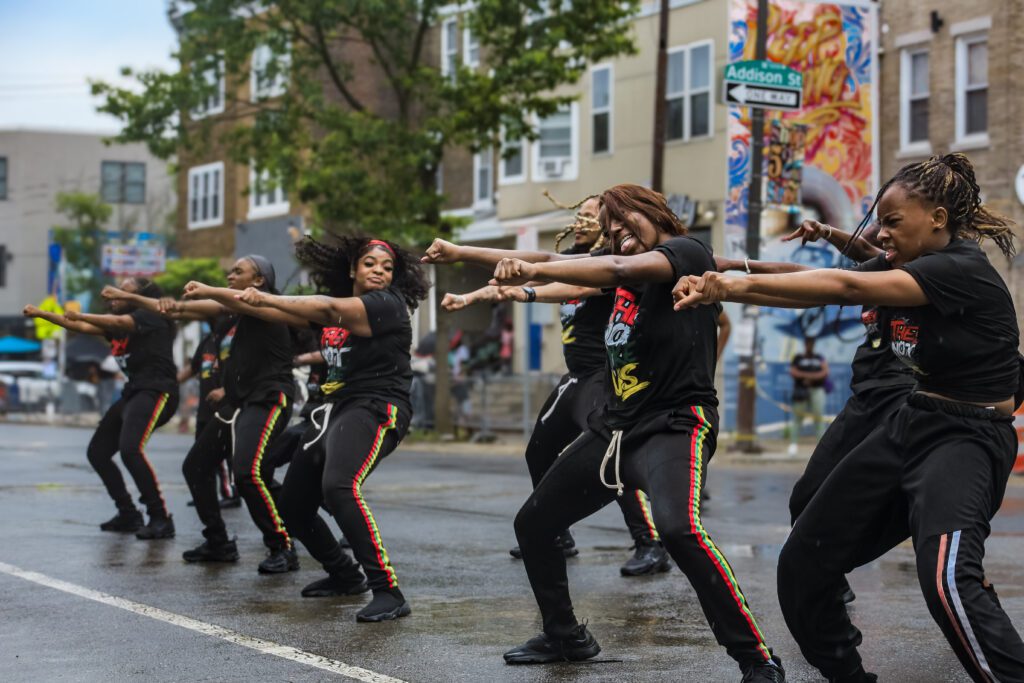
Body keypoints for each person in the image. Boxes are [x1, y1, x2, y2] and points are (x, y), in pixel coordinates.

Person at [674, 153, 1024, 682]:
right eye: (879, 222)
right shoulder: (902, 265)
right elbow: (816, 284)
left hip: (966, 438)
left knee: (947, 580)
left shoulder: (960, 268)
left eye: (892, 221)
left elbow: (846, 288)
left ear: (937, 218)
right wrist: (720, 281)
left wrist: (730, 287)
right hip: (914, 420)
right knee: (803, 563)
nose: (881, 234)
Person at [433, 184, 785, 681]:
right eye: (610, 230)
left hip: (675, 423)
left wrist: (534, 272)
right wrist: (464, 254)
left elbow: (613, 267)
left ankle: (757, 659)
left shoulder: (687, 251)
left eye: (624, 222)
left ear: (655, 213)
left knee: (680, 530)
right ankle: (564, 635)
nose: (618, 235)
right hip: (617, 428)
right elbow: (553, 261)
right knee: (534, 523)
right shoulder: (620, 274)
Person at [434, 194, 674, 576]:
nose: (581, 221)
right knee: (538, 451)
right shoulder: (574, 260)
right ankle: (557, 533)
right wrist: (471, 291)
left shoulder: (612, 264)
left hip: (602, 377)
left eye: (590, 216)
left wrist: (523, 289)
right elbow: (536, 269)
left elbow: (569, 286)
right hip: (574, 377)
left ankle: (650, 543)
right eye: (578, 215)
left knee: (610, 459)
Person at [233, 235, 430, 622]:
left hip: (377, 405)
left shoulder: (386, 304)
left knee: (339, 486)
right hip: (335, 409)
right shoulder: (341, 307)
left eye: (387, 267)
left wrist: (264, 297)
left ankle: (388, 591)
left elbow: (324, 307)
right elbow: (267, 310)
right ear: (353, 268)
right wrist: (216, 293)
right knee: (293, 506)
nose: (379, 271)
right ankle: (343, 573)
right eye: (370, 264)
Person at [105, 256, 297, 573]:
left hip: (268, 397)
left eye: (238, 271)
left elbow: (233, 300)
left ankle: (282, 546)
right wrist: (132, 298)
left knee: (248, 473)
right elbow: (177, 310)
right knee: (196, 466)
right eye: (230, 270)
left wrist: (206, 288)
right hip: (238, 401)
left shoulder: (267, 305)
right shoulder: (230, 314)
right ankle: (218, 542)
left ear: (259, 280)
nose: (230, 274)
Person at [24, 278, 179, 540]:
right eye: (114, 292)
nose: (114, 297)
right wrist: (42, 314)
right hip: (134, 392)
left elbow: (117, 322)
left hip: (156, 391)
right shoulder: (116, 325)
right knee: (98, 453)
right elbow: (80, 326)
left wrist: (82, 313)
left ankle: (160, 517)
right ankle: (128, 513)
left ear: (140, 296)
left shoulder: (151, 315)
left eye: (123, 292)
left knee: (130, 450)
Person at [174, 317, 238, 509]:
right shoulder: (208, 340)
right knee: (201, 456)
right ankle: (205, 495)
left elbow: (244, 368)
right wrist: (170, 384)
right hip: (204, 407)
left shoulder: (233, 336)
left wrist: (225, 390)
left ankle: (230, 494)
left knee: (219, 456)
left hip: (223, 407)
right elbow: (193, 367)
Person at [788, 336, 828, 455]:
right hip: (801, 391)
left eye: (811, 343)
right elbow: (793, 371)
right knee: (797, 418)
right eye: (808, 343)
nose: (809, 345)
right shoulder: (798, 358)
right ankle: (793, 444)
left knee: (818, 417)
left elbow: (825, 372)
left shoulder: (819, 357)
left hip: (817, 390)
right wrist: (810, 376)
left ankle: (821, 447)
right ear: (805, 344)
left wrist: (808, 377)